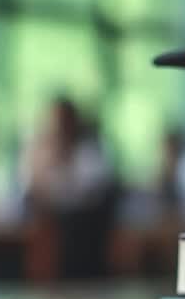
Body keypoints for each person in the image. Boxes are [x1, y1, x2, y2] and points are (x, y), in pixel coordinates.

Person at [22, 98, 117, 277]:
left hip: (84, 223)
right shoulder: (41, 150)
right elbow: (34, 187)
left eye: (65, 120)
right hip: (50, 220)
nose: (61, 126)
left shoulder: (90, 150)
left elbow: (93, 190)